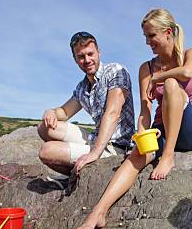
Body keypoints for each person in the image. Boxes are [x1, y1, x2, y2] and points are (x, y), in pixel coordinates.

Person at [76, 8, 192, 229]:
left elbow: (186, 73)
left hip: (190, 130)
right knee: (137, 155)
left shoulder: (190, 54)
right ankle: (99, 212)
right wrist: (141, 136)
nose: (147, 42)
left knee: (172, 85)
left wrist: (159, 77)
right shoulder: (145, 67)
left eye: (151, 35)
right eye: (145, 36)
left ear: (167, 32)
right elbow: (145, 110)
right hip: (161, 129)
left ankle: (168, 157)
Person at [38, 31, 135, 176]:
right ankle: (75, 175)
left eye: (91, 54)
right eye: (81, 57)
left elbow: (113, 113)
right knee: (44, 128)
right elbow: (64, 112)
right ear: (75, 59)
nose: (87, 60)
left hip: (116, 146)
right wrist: (50, 111)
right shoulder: (82, 87)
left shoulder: (116, 71)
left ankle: (79, 176)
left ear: (99, 52)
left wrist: (95, 153)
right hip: (96, 139)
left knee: (46, 151)